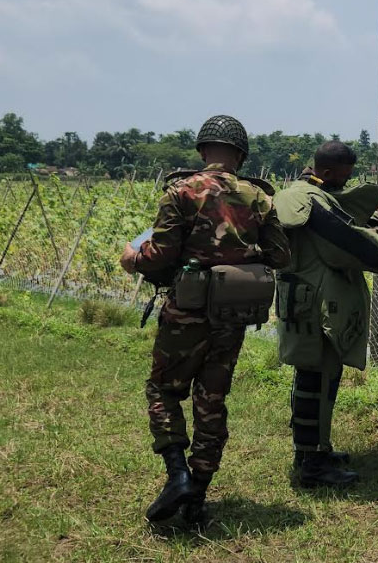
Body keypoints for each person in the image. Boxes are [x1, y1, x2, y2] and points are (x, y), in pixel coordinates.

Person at [118, 115, 290, 526]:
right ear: (241, 154)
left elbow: (158, 256)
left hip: (186, 312)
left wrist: (132, 259)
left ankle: (177, 475)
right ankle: (197, 497)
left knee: (162, 390)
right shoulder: (260, 198)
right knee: (211, 401)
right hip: (232, 315)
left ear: (202, 151)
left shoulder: (180, 192)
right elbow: (282, 257)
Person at [274, 141, 378, 488]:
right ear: (326, 172)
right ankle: (311, 464)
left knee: (323, 376)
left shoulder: (307, 195)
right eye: (343, 176)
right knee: (313, 380)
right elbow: (347, 241)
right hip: (310, 306)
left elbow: (349, 222)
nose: (347, 182)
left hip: (307, 301)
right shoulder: (307, 200)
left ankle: (317, 449)